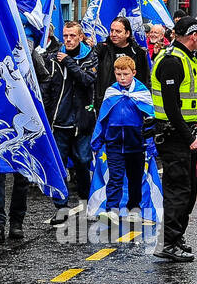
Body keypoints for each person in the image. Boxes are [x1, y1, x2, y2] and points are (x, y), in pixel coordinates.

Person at [151, 17, 197, 262]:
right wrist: (189, 137)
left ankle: (176, 237)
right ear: (192, 35)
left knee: (188, 191)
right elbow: (170, 106)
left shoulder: (188, 58)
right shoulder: (172, 61)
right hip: (173, 135)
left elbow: (189, 101)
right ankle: (169, 242)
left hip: (185, 132)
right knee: (178, 191)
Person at [34, 20, 97, 229]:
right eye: (66, 36)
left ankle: (88, 203)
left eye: (73, 36)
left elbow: (87, 80)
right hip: (60, 122)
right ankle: (61, 208)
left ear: (80, 37)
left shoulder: (90, 57)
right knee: (58, 166)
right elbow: (47, 87)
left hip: (82, 121)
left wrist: (69, 61)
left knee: (82, 161)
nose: (69, 40)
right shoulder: (54, 59)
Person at [93, 54, 151, 224]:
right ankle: (112, 210)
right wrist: (97, 140)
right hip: (114, 143)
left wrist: (151, 144)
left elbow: (150, 119)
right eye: (118, 74)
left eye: (125, 74)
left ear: (134, 72)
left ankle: (134, 208)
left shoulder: (142, 93)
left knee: (135, 178)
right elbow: (102, 118)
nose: (122, 78)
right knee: (115, 177)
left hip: (136, 143)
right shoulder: (111, 92)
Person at [92, 17, 151, 113]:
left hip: (132, 106)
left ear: (127, 33)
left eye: (118, 31)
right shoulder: (102, 50)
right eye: (112, 30)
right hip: (107, 104)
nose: (113, 34)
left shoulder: (138, 53)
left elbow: (145, 80)